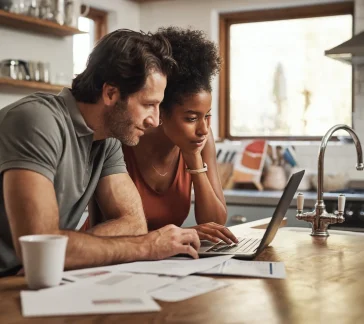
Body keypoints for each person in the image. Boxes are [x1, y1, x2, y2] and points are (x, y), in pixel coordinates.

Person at [0, 29, 201, 278]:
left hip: (31, 278)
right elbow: (41, 247)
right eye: (149, 105)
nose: (155, 120)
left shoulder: (107, 140)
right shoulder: (36, 121)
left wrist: (64, 250)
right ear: (110, 93)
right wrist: (148, 246)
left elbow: (134, 224)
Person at [119, 27, 238, 245]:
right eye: (191, 118)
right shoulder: (126, 139)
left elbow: (216, 222)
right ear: (161, 112)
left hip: (162, 262)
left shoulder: (200, 141)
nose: (203, 129)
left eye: (207, 116)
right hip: (110, 259)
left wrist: (193, 159)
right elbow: (112, 227)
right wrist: (184, 233)